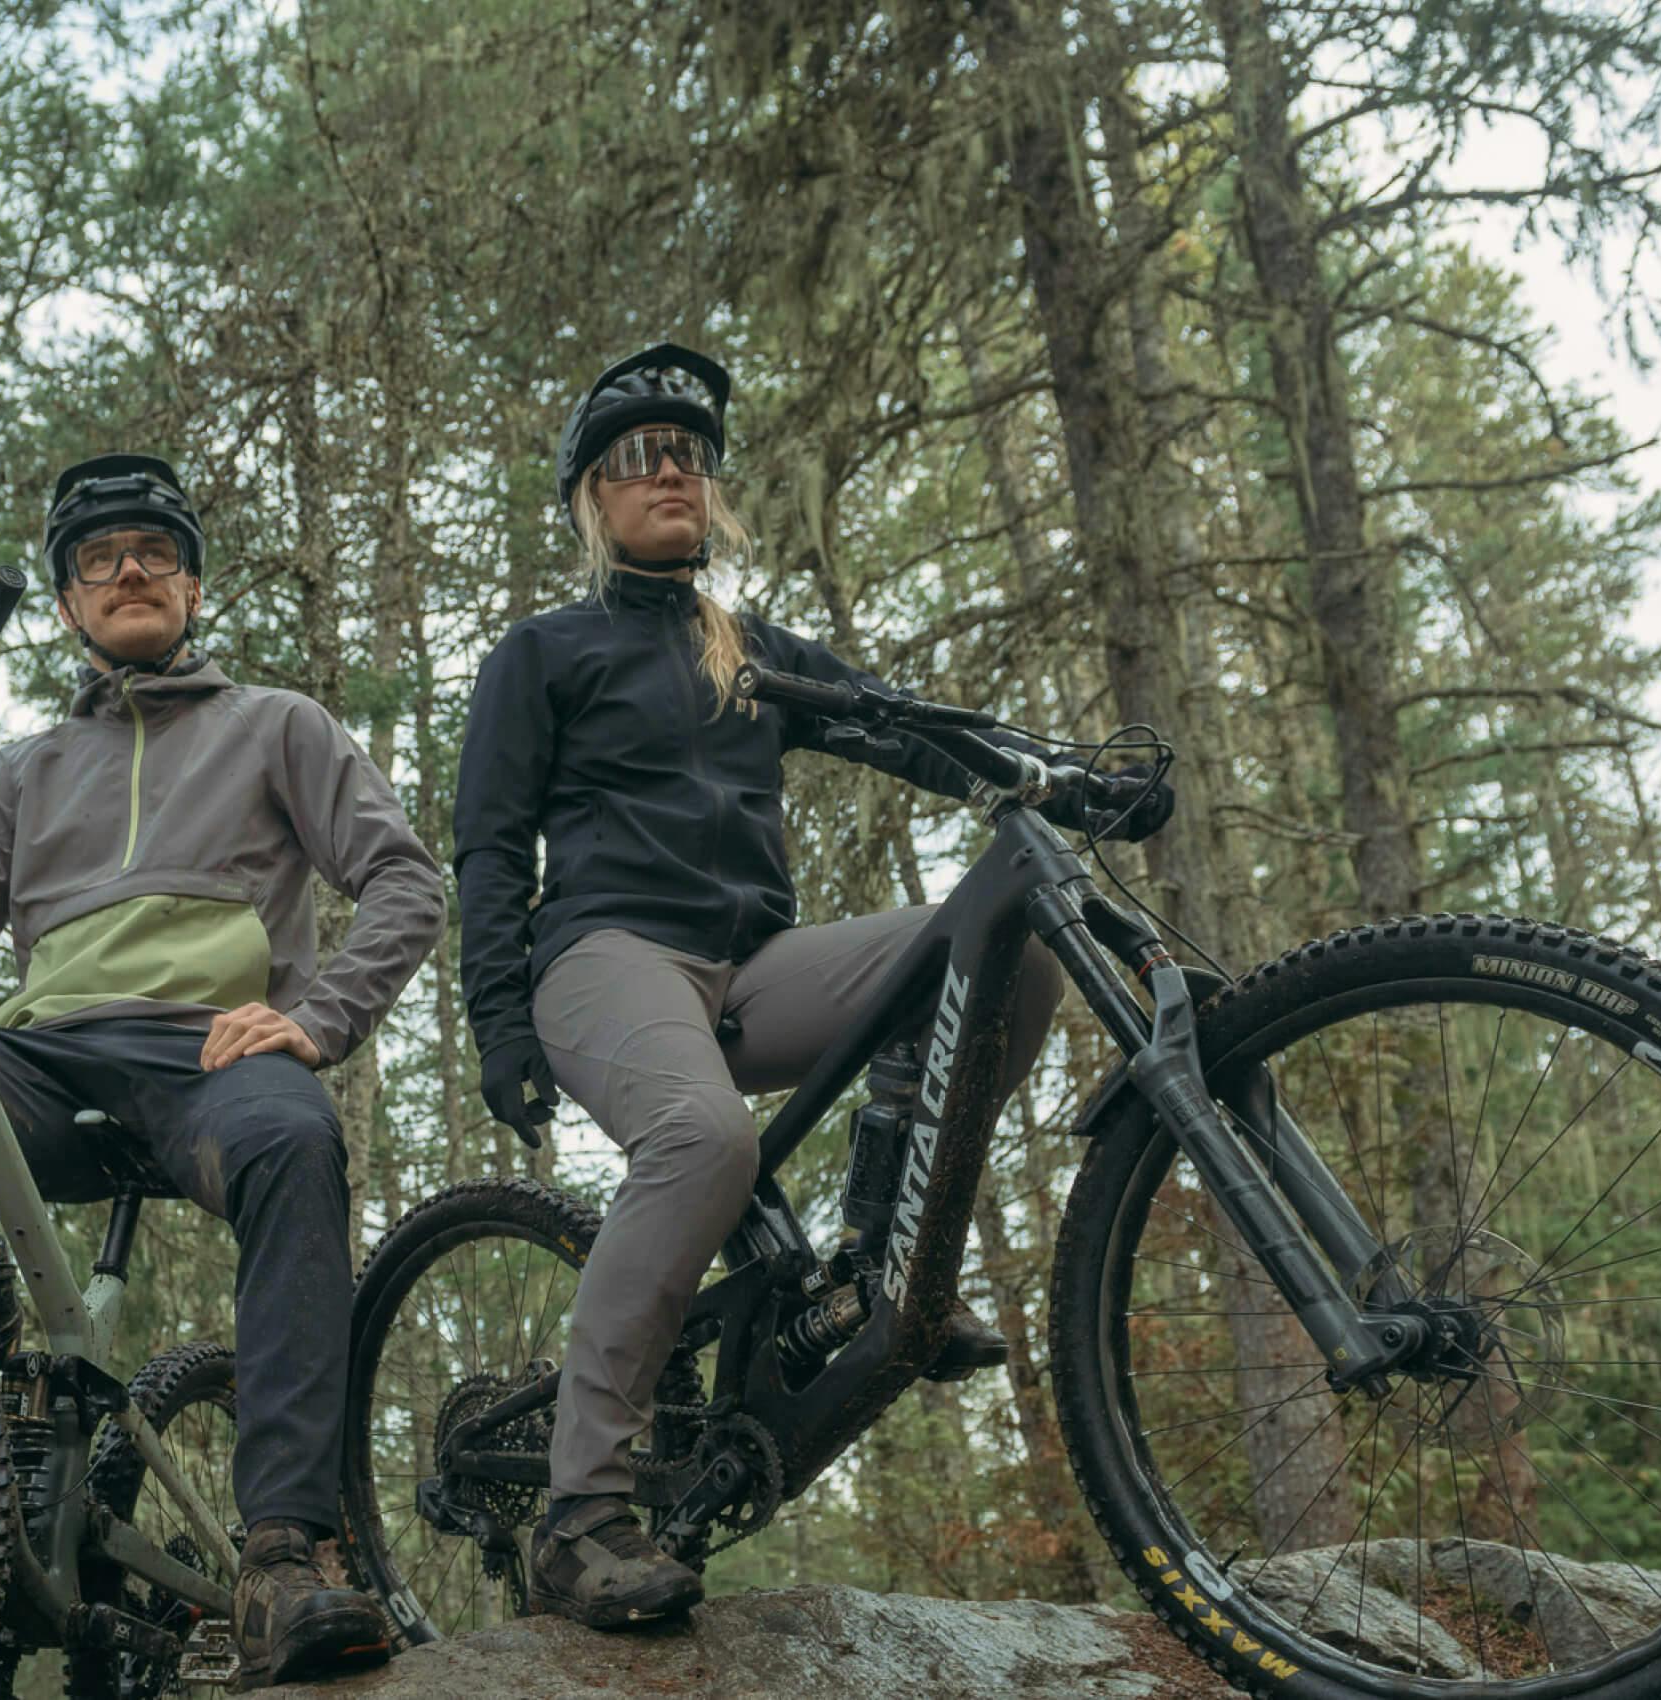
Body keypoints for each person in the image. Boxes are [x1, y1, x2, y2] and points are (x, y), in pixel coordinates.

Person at [451, 346, 1172, 1631]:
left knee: (1003, 951)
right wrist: (499, 1023)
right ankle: (578, 1512)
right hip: (605, 956)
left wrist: (1065, 780)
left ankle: (882, 1272)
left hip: (753, 966)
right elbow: (491, 843)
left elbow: (909, 728)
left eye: (689, 454)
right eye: (635, 456)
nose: (669, 469)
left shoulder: (751, 649)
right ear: (588, 497)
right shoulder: (543, 649)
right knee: (700, 1137)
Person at [0, 453, 444, 1688]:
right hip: (40, 1052)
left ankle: (286, 1551)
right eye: (97, 560)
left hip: (211, 1050)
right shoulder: (18, 771)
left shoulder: (277, 724)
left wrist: (321, 1016)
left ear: (192, 587)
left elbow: (406, 877)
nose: (128, 570)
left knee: (295, 1139)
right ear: (74, 608)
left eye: (153, 552)